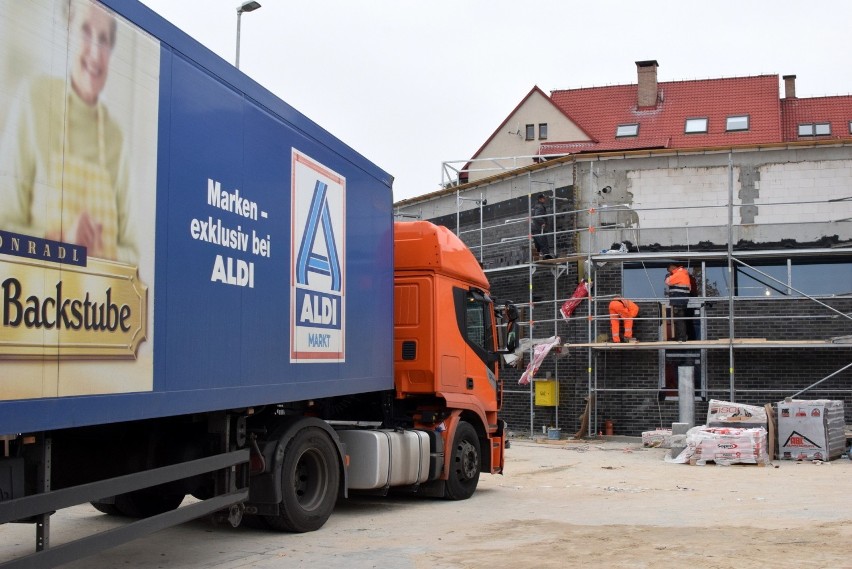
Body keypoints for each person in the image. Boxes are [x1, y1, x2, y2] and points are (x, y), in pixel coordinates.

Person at [0, 0, 137, 263]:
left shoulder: (116, 137)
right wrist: (62, 241)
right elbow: (5, 222)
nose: (96, 54)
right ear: (67, 33)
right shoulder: (35, 99)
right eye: (85, 31)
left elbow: (133, 252)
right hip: (34, 297)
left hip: (103, 301)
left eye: (104, 40)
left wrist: (103, 251)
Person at [665, 263, 693, 341]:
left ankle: (681, 337)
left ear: (672, 267)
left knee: (679, 319)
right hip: (681, 300)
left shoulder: (679, 273)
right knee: (680, 319)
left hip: (678, 300)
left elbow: (668, 281)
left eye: (669, 270)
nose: (670, 272)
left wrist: (668, 276)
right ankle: (681, 337)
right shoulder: (683, 273)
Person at [531, 193, 553, 260]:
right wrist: (543, 223)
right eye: (543, 198)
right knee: (543, 242)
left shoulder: (535, 206)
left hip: (534, 228)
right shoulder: (540, 207)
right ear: (540, 199)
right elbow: (537, 217)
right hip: (539, 228)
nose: (545, 199)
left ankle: (536, 257)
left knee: (537, 243)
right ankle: (546, 256)